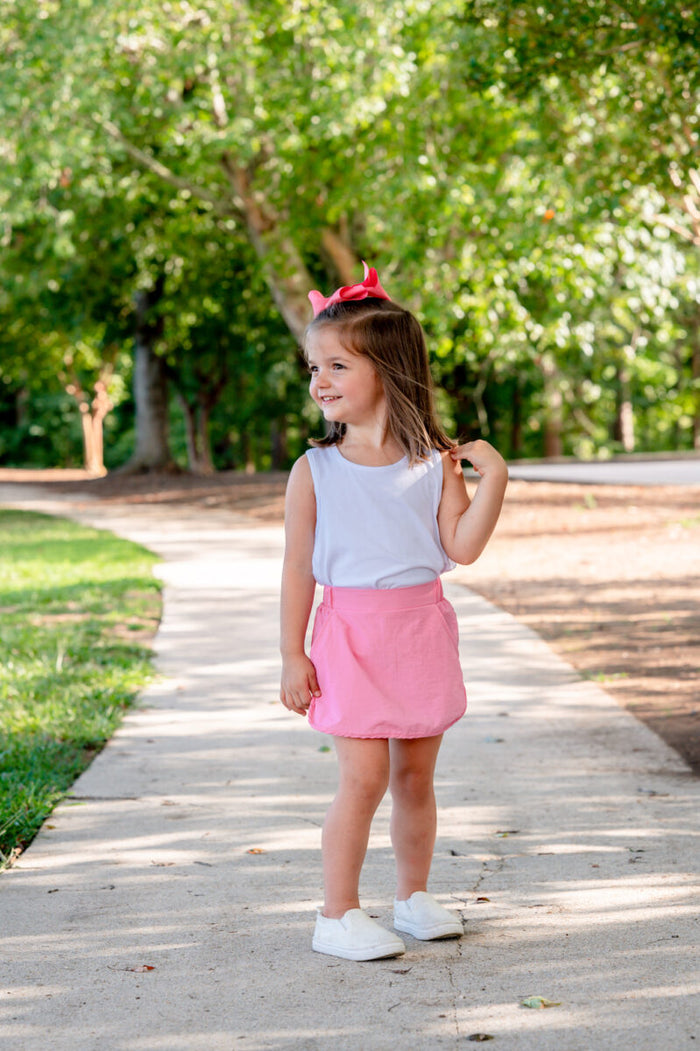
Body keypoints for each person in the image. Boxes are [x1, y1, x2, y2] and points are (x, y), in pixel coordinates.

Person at [280, 263, 508, 962]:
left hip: (419, 634)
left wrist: (494, 479)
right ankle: (337, 914)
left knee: (414, 778)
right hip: (350, 638)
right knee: (364, 779)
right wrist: (292, 653)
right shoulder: (315, 471)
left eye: (337, 365)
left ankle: (413, 897)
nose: (320, 381)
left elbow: (462, 548)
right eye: (314, 367)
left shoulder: (433, 464)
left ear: (388, 369)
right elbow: (296, 569)